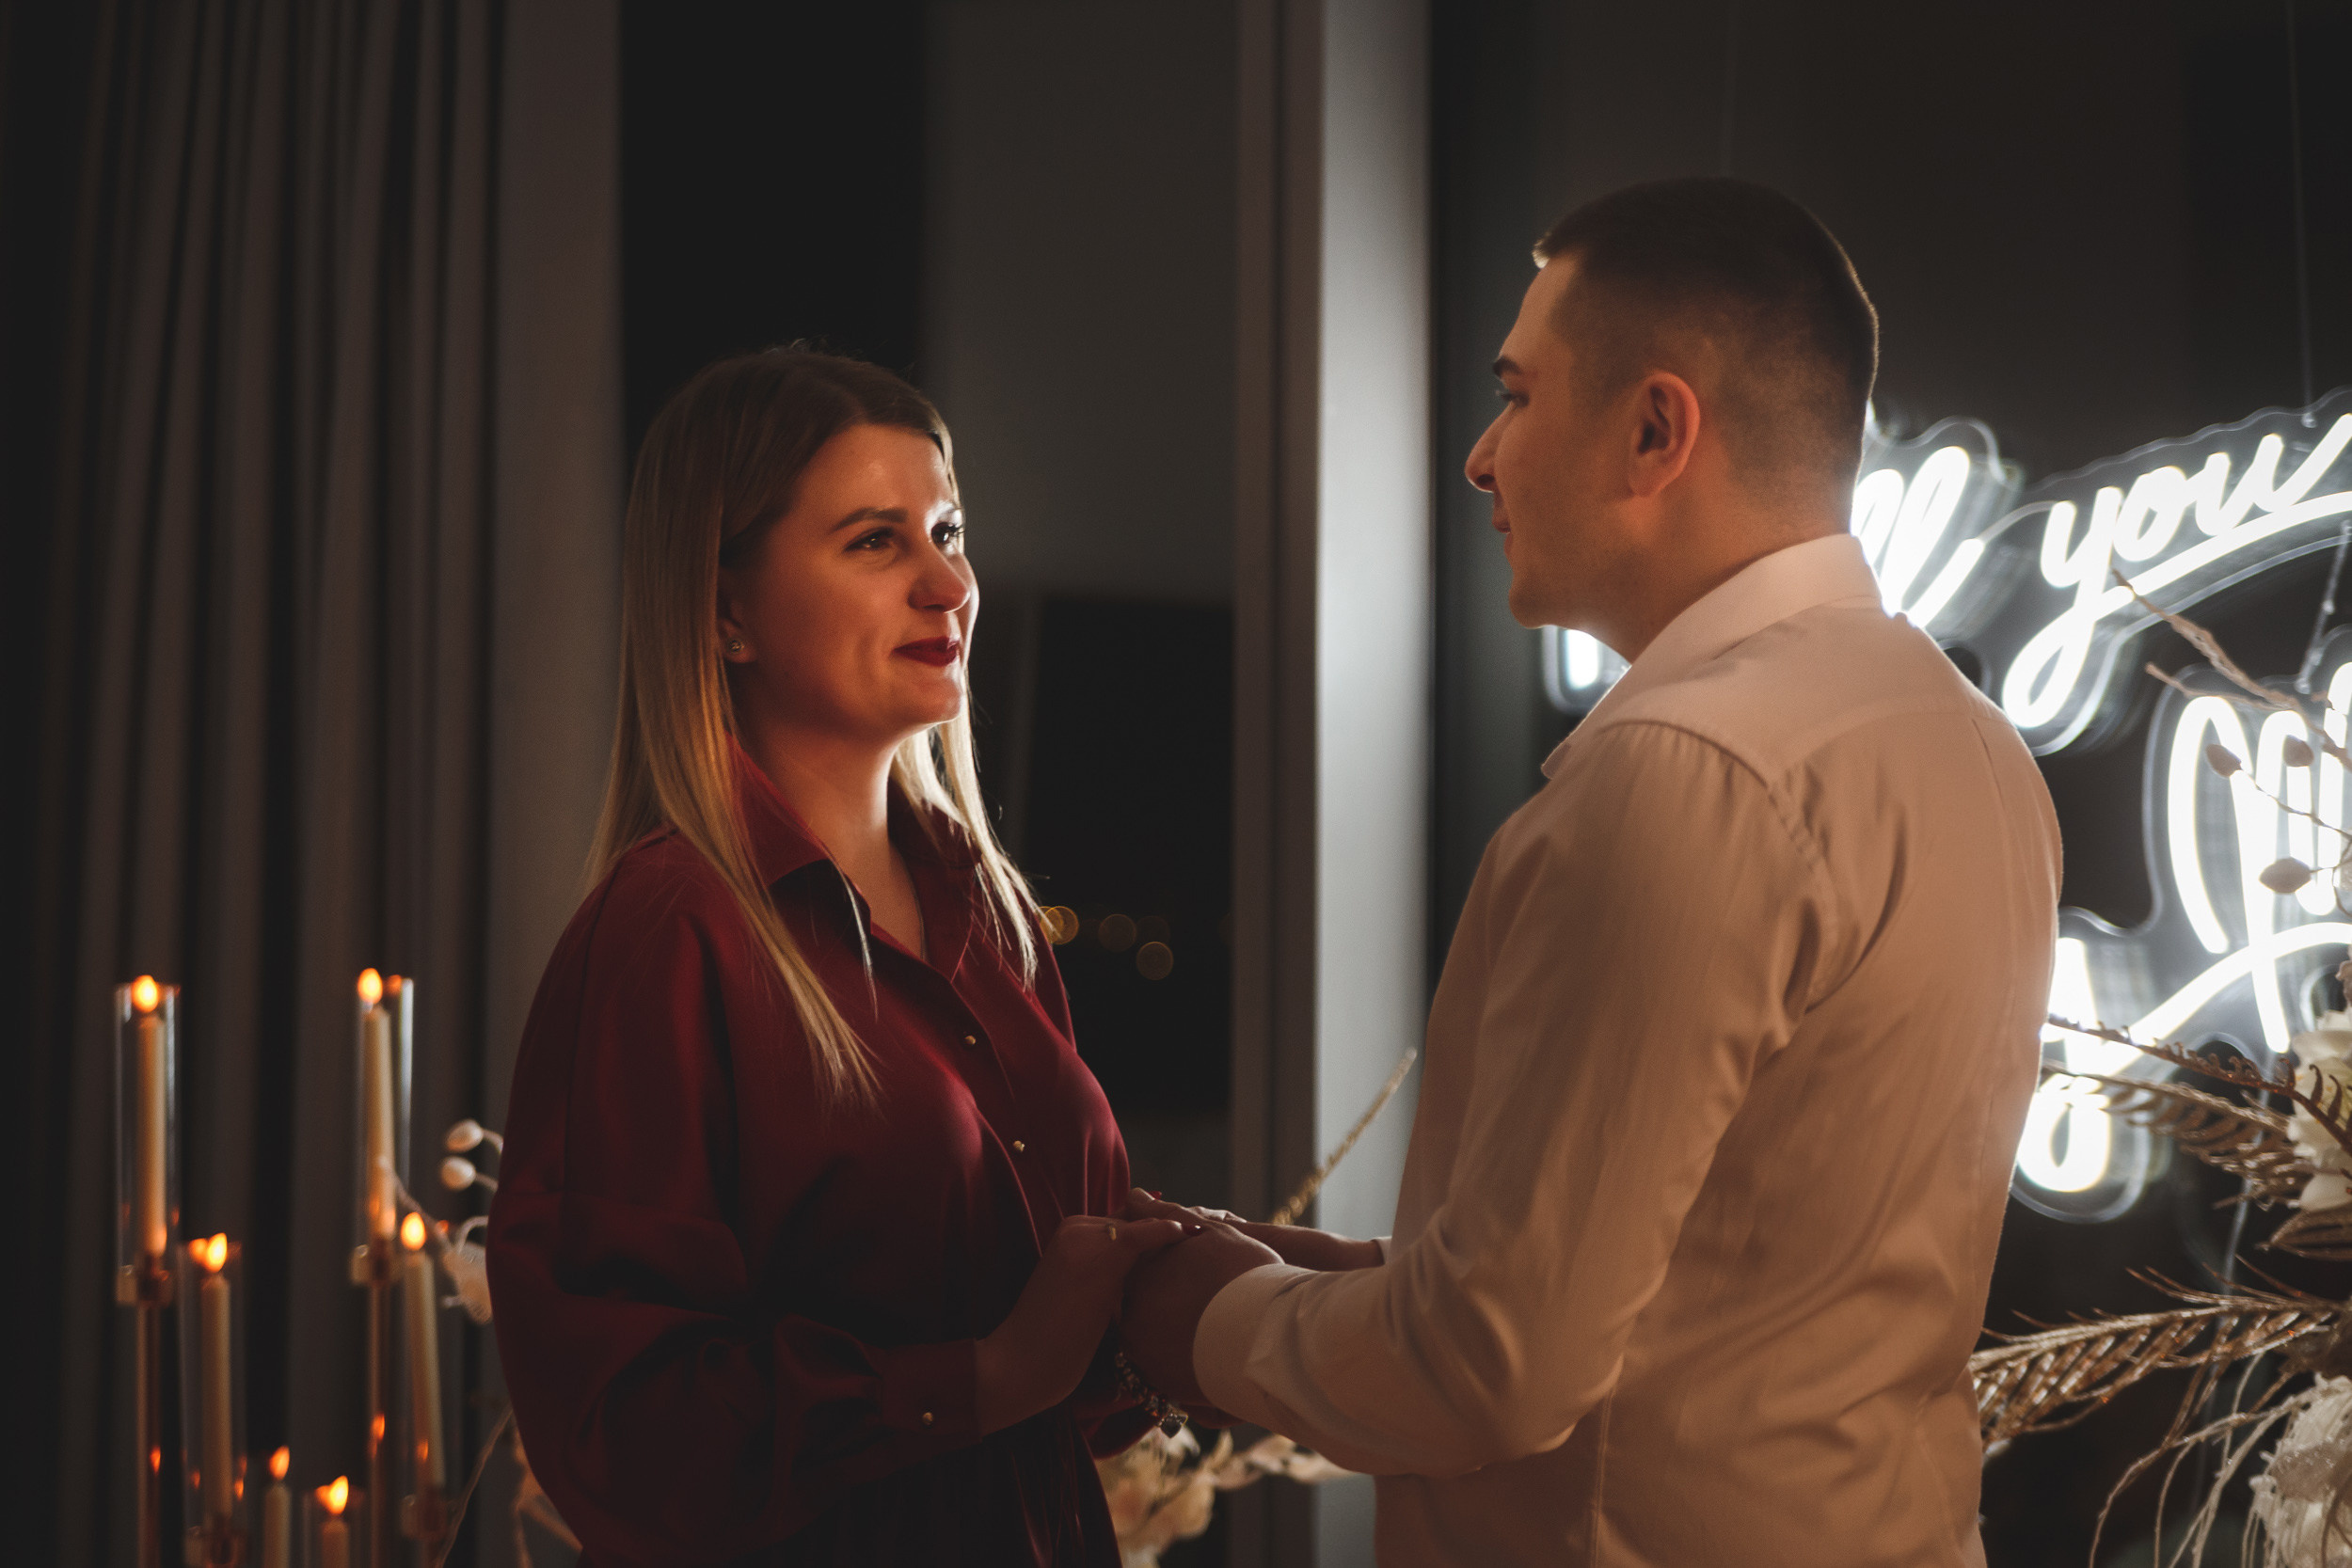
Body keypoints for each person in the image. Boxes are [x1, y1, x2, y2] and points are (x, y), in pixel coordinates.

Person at [1118, 178, 2062, 1566]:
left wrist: (1179, 1318)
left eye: (1516, 394)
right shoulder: (1974, 753)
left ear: (1653, 429)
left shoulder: (1687, 772)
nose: (1482, 459)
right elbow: (1721, 1289)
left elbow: (1496, 1366)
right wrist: (1337, 1278)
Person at [486, 349, 1197, 1565]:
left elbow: (1051, 1358)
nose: (950, 584)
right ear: (724, 611)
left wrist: (1204, 1292)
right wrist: (980, 1376)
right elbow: (622, 1434)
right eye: (877, 542)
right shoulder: (669, 935)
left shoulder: (992, 918)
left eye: (949, 529)